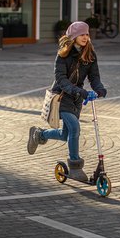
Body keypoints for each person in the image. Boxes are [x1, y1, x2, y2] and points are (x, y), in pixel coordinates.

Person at [27, 21, 107, 181]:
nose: (85, 37)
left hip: (77, 98)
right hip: (62, 96)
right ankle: (75, 167)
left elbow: (94, 76)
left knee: (65, 135)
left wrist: (99, 89)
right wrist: (80, 91)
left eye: (87, 34)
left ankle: (40, 134)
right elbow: (61, 79)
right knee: (75, 128)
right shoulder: (63, 54)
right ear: (74, 36)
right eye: (82, 34)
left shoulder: (90, 53)